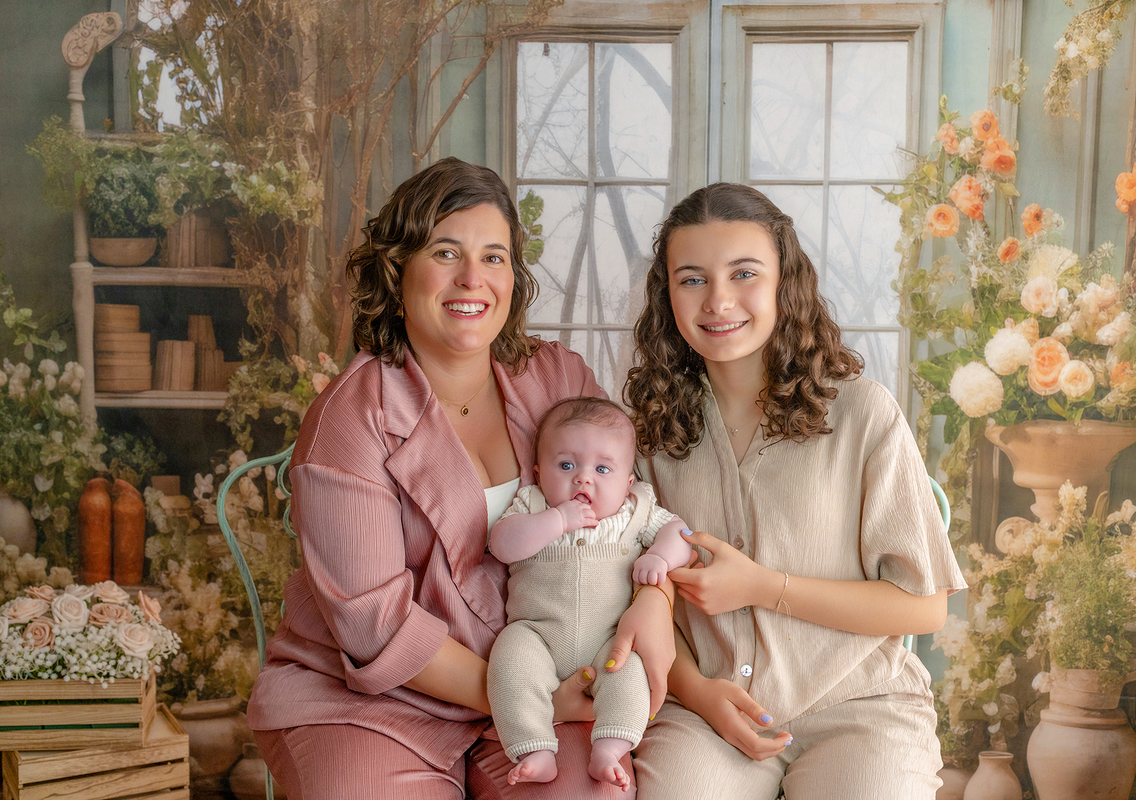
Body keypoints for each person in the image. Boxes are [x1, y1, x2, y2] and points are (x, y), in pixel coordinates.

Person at [245, 157, 675, 800]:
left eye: (494, 256)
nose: (473, 278)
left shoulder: (556, 380)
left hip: (544, 685)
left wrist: (655, 600)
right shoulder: (349, 418)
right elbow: (376, 625)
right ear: (398, 272)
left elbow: (631, 518)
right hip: (372, 703)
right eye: (446, 252)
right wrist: (529, 697)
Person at [623, 183, 967, 800]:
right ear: (667, 294)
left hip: (860, 707)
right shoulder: (651, 430)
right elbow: (640, 595)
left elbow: (924, 606)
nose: (718, 301)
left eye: (744, 273)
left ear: (785, 282)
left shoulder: (861, 413)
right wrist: (700, 693)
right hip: (706, 708)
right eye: (692, 279)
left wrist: (762, 587)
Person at [487, 397, 692, 791]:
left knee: (629, 673)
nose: (583, 479)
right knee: (509, 662)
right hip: (538, 634)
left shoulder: (636, 509)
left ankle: (610, 749)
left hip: (609, 640)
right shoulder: (532, 505)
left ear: (627, 482)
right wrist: (556, 520)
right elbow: (502, 545)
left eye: (602, 469)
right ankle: (534, 749)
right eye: (566, 466)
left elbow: (680, 534)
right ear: (538, 472)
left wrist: (662, 556)